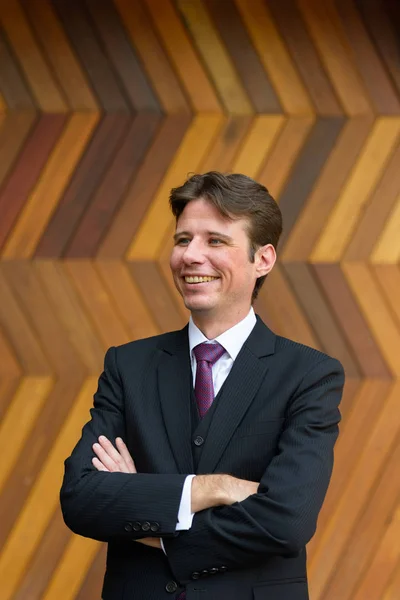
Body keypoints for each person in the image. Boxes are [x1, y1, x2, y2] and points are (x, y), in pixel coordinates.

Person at [60, 172, 345, 600]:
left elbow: (286, 521)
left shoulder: (310, 374)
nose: (191, 255)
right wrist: (214, 488)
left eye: (215, 241)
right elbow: (82, 498)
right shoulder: (128, 365)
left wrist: (149, 514)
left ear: (262, 259)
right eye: (182, 240)